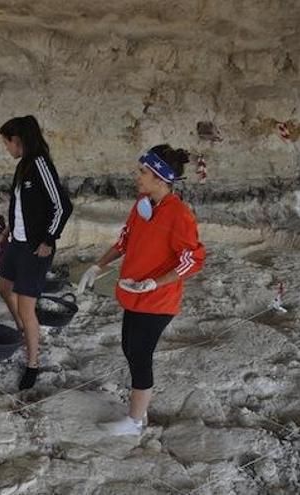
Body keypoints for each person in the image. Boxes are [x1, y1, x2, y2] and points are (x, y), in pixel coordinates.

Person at [78, 144, 205, 436]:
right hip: (135, 294)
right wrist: (97, 266)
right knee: (129, 347)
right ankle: (140, 411)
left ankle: (134, 421)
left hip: (157, 300)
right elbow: (124, 240)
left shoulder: (180, 216)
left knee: (139, 354)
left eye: (143, 172)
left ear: (160, 179)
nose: (137, 176)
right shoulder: (143, 203)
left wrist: (155, 283)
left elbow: (193, 260)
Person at [0, 116, 73, 390]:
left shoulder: (40, 164)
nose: (6, 147)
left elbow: (62, 206)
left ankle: (33, 363)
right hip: (17, 242)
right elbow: (19, 208)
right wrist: (5, 233)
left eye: (7, 142)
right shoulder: (23, 166)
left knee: (27, 307)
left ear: (19, 140)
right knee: (4, 288)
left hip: (35, 248)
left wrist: (49, 238)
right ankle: (25, 329)